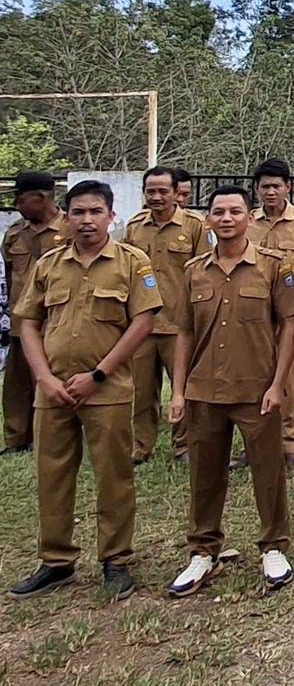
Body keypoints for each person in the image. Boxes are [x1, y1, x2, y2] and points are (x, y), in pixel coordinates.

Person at [7, 180, 161, 600]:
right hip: (52, 390)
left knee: (114, 476)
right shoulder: (49, 265)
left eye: (96, 212)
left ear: (112, 216)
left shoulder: (132, 263)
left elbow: (142, 322)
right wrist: (44, 378)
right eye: (79, 212)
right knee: (52, 476)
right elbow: (29, 324)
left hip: (106, 389)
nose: (87, 220)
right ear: (67, 217)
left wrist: (97, 375)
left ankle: (116, 560)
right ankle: (56, 561)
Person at [167, 185, 294, 596]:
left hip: (256, 388)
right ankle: (202, 550)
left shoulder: (273, 267)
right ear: (208, 219)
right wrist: (178, 391)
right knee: (205, 475)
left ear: (249, 217)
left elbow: (291, 326)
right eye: (218, 212)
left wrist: (278, 384)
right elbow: (184, 333)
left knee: (268, 472)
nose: (226, 219)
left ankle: (274, 546)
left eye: (234, 212)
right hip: (205, 390)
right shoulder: (194, 271)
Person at [124, 166, 209, 463]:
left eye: (163, 191)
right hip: (142, 324)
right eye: (151, 191)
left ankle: (184, 445)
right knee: (142, 391)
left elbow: (205, 272)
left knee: (185, 388)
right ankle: (140, 445)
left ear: (176, 193)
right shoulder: (135, 227)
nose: (156, 197)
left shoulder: (196, 226)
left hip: (180, 323)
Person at [247, 158, 294, 471]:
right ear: (257, 189)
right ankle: (255, 445)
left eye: (277, 186)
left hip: (289, 314)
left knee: (288, 380)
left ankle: (292, 445)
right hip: (252, 315)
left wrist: (290, 307)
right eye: (265, 186)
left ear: (288, 187)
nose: (271, 192)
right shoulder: (247, 221)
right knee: (252, 378)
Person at [3, 172, 70, 455]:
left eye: (20, 199)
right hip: (21, 321)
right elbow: (7, 274)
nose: (16, 205)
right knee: (16, 386)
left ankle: (52, 438)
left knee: (50, 382)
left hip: (57, 321)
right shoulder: (15, 233)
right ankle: (17, 438)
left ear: (41, 198)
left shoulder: (71, 228)